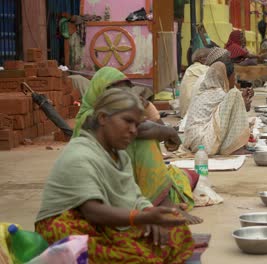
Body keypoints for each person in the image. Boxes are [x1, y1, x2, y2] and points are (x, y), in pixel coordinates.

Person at [36, 89, 194, 263]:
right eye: (127, 121)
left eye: (137, 124)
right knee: (135, 257)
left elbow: (134, 196)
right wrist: (140, 218)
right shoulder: (79, 154)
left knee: (177, 232)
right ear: (103, 118)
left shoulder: (120, 156)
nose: (134, 131)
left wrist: (149, 211)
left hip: (106, 223)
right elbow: (92, 211)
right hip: (71, 224)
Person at [73, 67, 202, 224]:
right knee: (144, 140)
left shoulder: (121, 132)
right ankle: (161, 201)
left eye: (126, 95)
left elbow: (149, 125)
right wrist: (169, 132)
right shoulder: (89, 118)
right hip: (97, 196)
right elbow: (144, 129)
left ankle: (159, 202)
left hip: (120, 186)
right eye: (118, 96)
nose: (133, 129)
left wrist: (147, 107)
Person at [184, 62, 250, 155]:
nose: (235, 80)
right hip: (204, 144)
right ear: (225, 78)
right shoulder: (219, 93)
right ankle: (234, 148)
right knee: (234, 94)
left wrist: (242, 99)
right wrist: (242, 99)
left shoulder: (205, 92)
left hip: (193, 142)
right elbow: (234, 106)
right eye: (233, 77)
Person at [180, 48, 211, 117]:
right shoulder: (203, 68)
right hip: (190, 111)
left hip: (184, 110)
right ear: (200, 59)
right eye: (208, 57)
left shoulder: (191, 67)